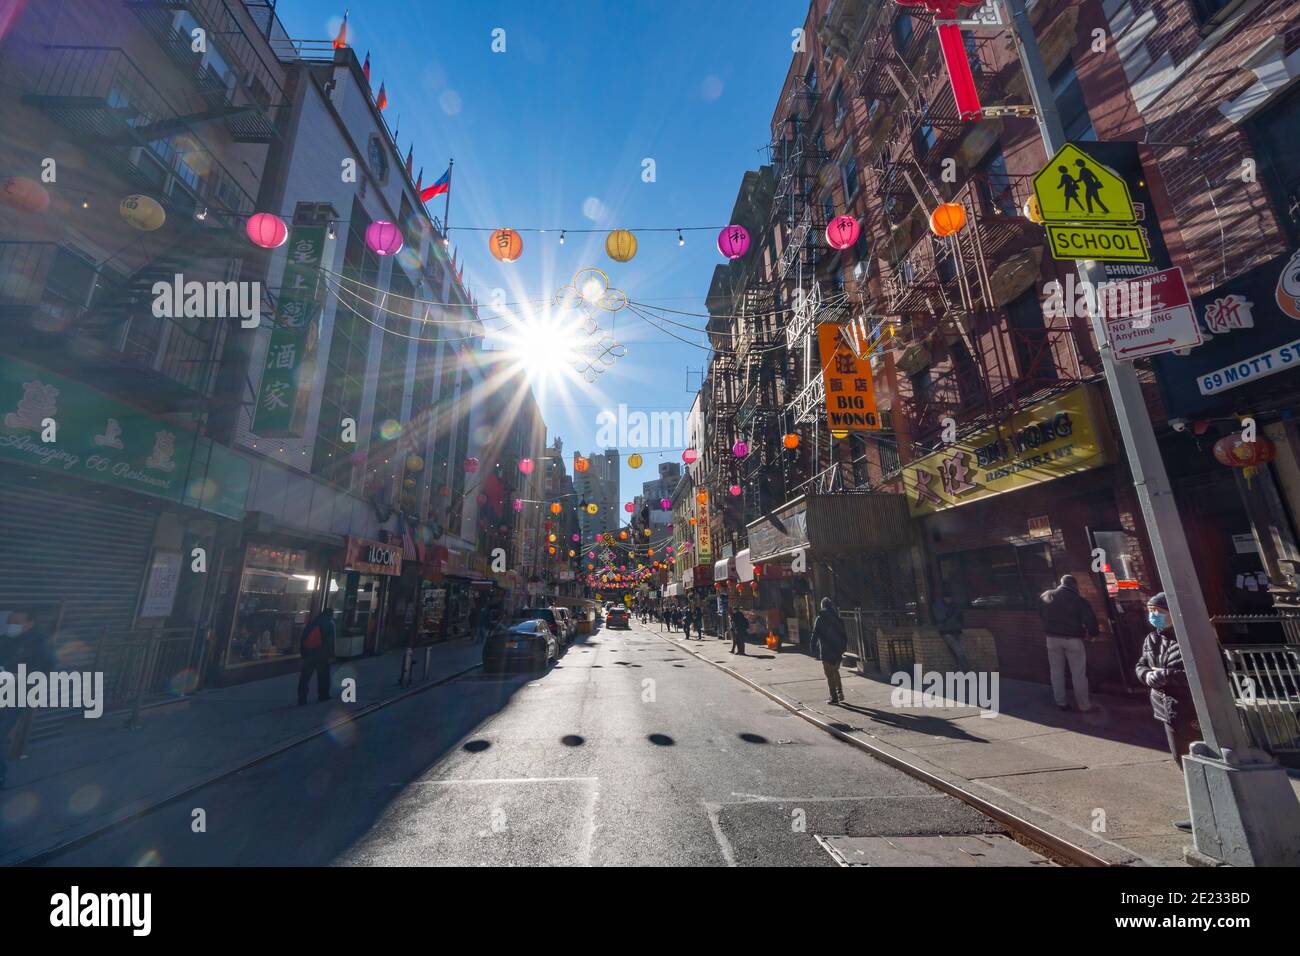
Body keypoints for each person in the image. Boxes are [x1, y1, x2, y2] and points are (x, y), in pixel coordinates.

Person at [1135, 592, 1198, 832]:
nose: (1154, 616)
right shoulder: (1152, 639)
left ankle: (1206, 812)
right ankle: (1199, 810)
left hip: (1188, 707)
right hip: (1164, 708)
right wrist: (1146, 675)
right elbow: (1141, 664)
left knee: (1195, 759)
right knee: (1181, 759)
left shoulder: (1189, 637)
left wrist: (1165, 676)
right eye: (1151, 611)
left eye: (1159, 612)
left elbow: (1202, 671)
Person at [0, 610, 53, 788]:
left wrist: (18, 676)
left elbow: (45, 669)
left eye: (16, 622)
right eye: (10, 622)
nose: (11, 625)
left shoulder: (39, 642)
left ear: (29, 622)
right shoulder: (9, 638)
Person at [1038, 574, 1099, 711]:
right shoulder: (1078, 600)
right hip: (1073, 639)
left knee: (1056, 671)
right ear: (1074, 585)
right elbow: (1090, 619)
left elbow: (1040, 612)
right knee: (1078, 673)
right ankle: (1084, 705)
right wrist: (1093, 634)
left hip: (1052, 638)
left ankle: (1061, 702)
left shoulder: (1047, 596)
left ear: (1061, 583)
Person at [811, 597, 847, 705]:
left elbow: (815, 634)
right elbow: (843, 634)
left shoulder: (820, 618)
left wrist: (813, 648)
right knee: (835, 671)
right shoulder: (837, 617)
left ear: (822, 606)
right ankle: (839, 692)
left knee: (829, 674)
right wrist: (843, 647)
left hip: (826, 650)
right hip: (837, 650)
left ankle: (834, 697)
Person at [297, 607, 336, 706]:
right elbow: (330, 642)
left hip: (309, 654)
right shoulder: (330, 624)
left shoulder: (313, 622)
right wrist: (330, 655)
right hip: (322, 656)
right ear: (330, 615)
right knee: (323, 676)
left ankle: (302, 698)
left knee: (305, 678)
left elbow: (303, 638)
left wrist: (303, 653)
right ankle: (323, 695)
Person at [931, 592, 969, 671]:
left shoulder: (953, 606)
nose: (949, 599)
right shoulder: (939, 606)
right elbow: (940, 618)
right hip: (946, 631)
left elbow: (960, 618)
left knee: (957, 651)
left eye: (950, 598)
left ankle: (961, 669)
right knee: (959, 651)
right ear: (944, 598)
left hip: (955, 630)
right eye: (948, 598)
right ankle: (965, 670)